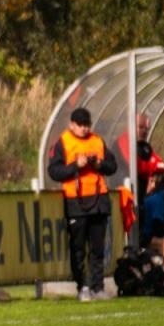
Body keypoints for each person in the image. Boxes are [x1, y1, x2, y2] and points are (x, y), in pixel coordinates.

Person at [47, 106, 118, 301]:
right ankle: (82, 287)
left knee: (97, 248)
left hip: (98, 200)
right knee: (78, 249)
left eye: (87, 125)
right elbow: (54, 171)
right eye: (80, 125)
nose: (84, 129)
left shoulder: (97, 141)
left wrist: (98, 165)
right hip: (75, 203)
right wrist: (75, 166)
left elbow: (112, 166)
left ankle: (98, 287)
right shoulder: (63, 142)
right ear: (72, 124)